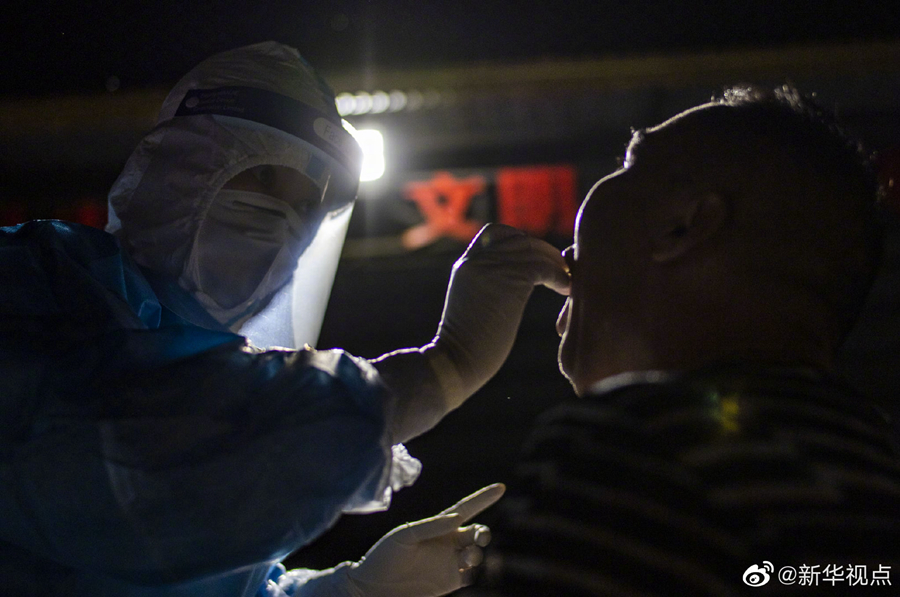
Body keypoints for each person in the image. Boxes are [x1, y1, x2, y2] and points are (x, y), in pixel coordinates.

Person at [0, 42, 569, 596]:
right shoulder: (34, 281)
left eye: (306, 205)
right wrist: (447, 365)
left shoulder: (218, 365)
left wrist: (345, 590)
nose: (285, 226)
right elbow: (123, 463)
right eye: (268, 178)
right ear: (183, 164)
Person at [480, 85, 900, 595]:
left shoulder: (635, 446)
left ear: (681, 228)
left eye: (629, 164)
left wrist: (433, 374)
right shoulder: (874, 466)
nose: (569, 248)